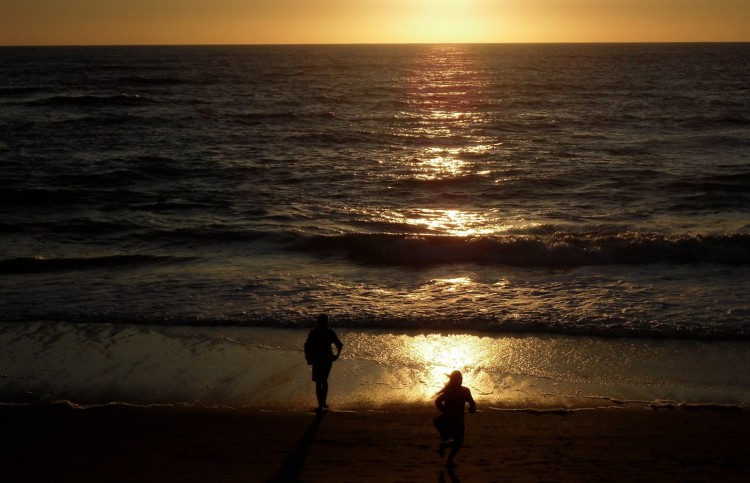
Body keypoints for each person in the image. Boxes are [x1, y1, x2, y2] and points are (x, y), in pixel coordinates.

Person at [433, 370, 476, 468]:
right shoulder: (453, 391)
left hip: (456, 419)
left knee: (458, 441)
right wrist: (444, 411)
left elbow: (472, 403)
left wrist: (472, 408)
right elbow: (438, 401)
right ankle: (448, 459)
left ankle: (445, 451)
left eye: (461, 378)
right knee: (459, 442)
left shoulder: (464, 391)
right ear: (454, 380)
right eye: (459, 379)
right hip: (452, 420)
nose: (461, 380)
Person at [304, 313, 343, 412]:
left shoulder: (314, 333)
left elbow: (307, 346)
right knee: (324, 381)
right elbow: (339, 345)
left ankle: (321, 404)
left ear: (318, 321)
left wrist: (308, 357)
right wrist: (336, 356)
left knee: (319, 382)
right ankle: (323, 403)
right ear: (326, 322)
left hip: (317, 359)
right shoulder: (329, 332)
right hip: (326, 359)